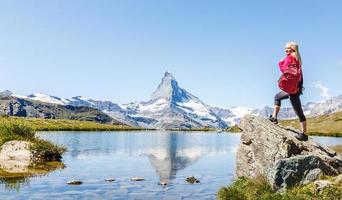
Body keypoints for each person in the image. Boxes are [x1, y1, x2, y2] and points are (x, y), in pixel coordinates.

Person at [269, 42, 308, 141]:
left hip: (292, 91)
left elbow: (284, 70)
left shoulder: (289, 58)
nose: (285, 50)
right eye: (285, 48)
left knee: (298, 111)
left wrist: (280, 63)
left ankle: (304, 134)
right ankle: (274, 117)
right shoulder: (297, 59)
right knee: (277, 97)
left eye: (288, 48)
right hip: (296, 88)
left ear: (292, 49)